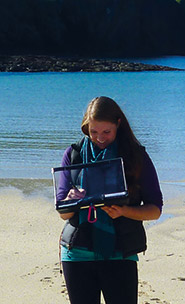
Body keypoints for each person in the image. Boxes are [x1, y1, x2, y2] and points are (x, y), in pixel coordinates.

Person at [56, 96, 163, 304]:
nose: (100, 138)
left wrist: (125, 211)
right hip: (77, 252)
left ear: (118, 124)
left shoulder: (135, 157)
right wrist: (70, 200)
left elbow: (155, 209)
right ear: (86, 127)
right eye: (93, 132)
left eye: (107, 132)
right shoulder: (74, 154)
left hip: (120, 253)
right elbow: (63, 213)